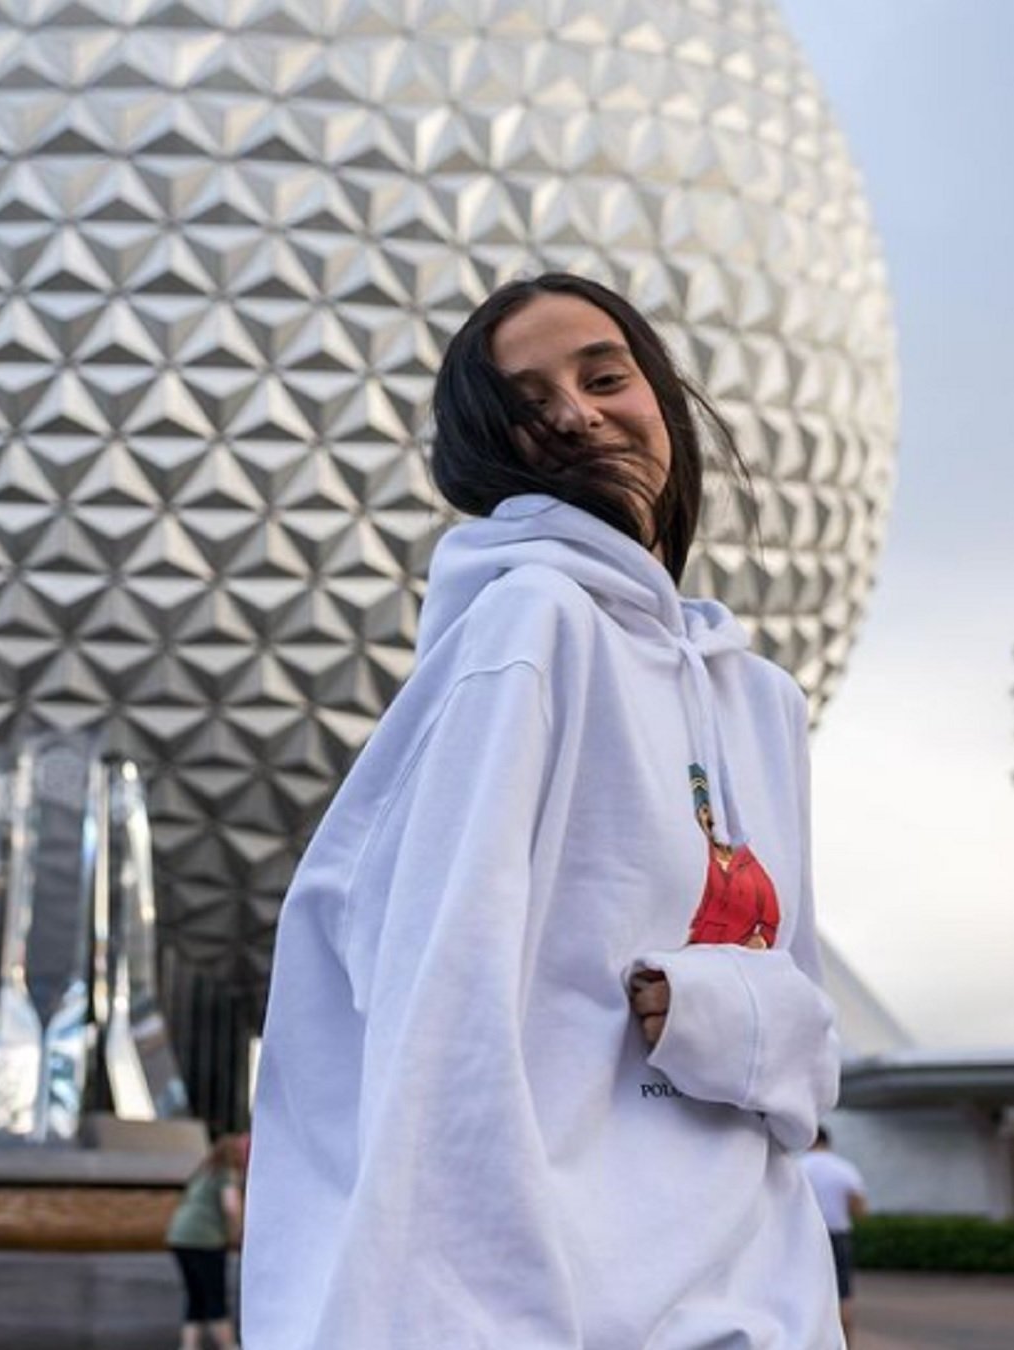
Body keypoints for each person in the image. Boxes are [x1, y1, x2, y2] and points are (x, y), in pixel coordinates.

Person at [243, 272, 843, 1348]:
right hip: (582, 1306)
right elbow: (444, 1023)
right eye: (528, 404)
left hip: (758, 1296)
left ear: (660, 390)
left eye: (603, 375)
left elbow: (805, 1055)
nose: (574, 412)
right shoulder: (526, 630)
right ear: (493, 452)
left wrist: (719, 1008)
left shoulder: (760, 701)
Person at [166, 1133, 246, 1350]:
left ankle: (189, 1346)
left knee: (196, 1297)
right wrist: (238, 1234)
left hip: (179, 1237)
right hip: (205, 1239)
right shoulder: (227, 1174)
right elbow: (231, 1206)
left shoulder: (205, 1172)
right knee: (214, 1296)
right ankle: (229, 1346)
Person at [800, 1126, 869, 1344]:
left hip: (804, 1239)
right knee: (843, 1296)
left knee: (804, 1295)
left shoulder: (797, 1167)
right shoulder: (844, 1168)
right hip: (838, 1235)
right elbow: (860, 1209)